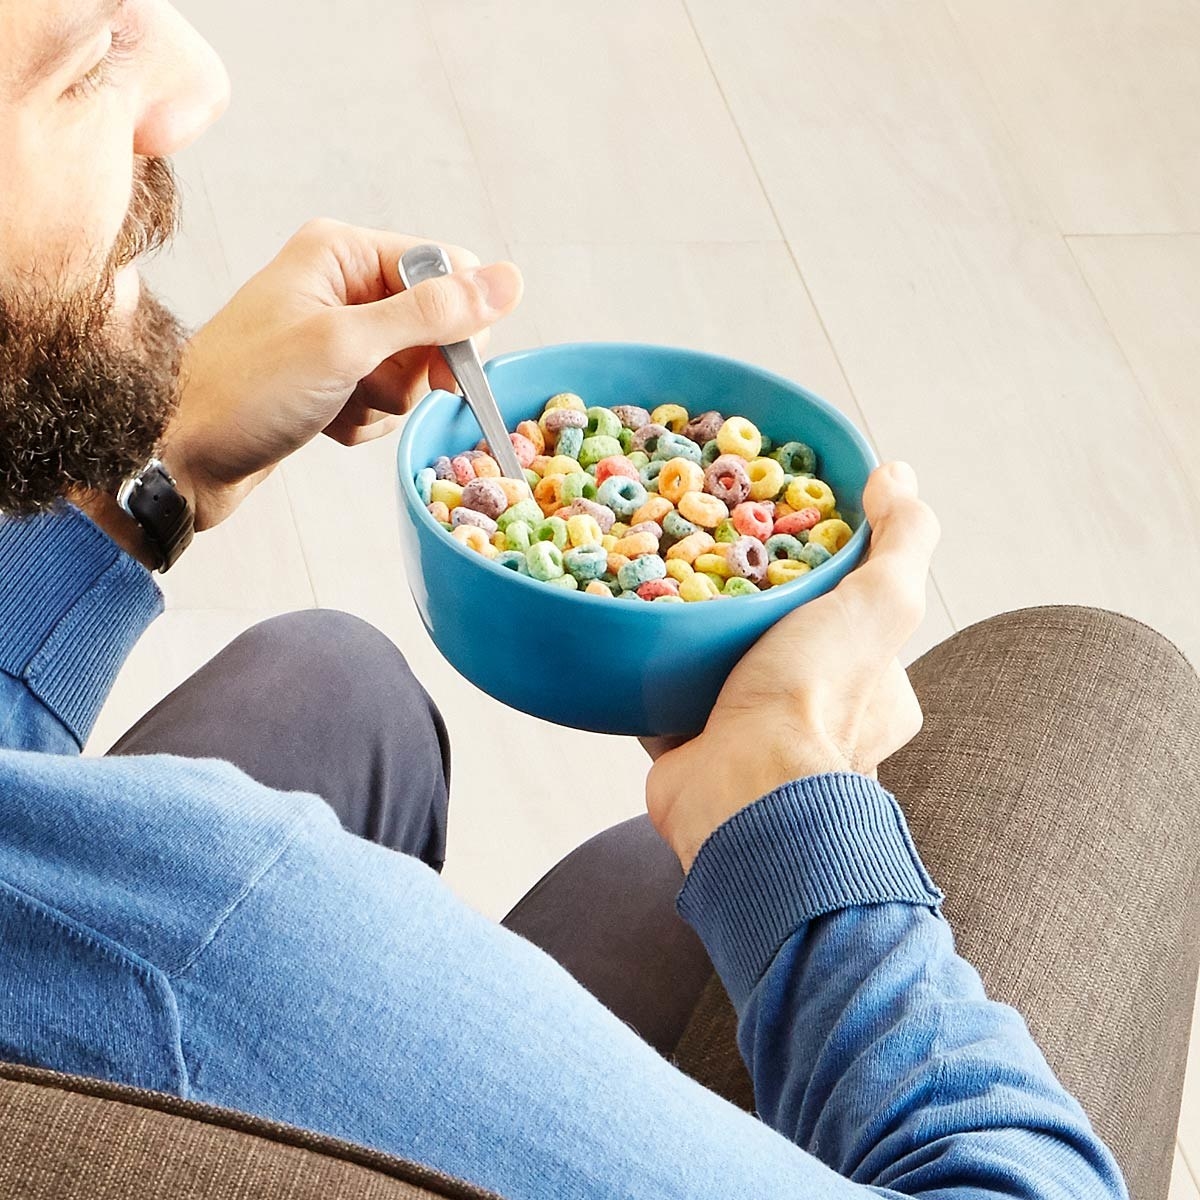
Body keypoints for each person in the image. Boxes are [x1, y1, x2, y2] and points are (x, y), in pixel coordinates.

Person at [1, 3, 1196, 1198]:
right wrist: (793, 798)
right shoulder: (212, 924)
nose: (196, 86)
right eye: (81, 61)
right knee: (1101, 688)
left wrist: (152, 481)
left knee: (334, 683)